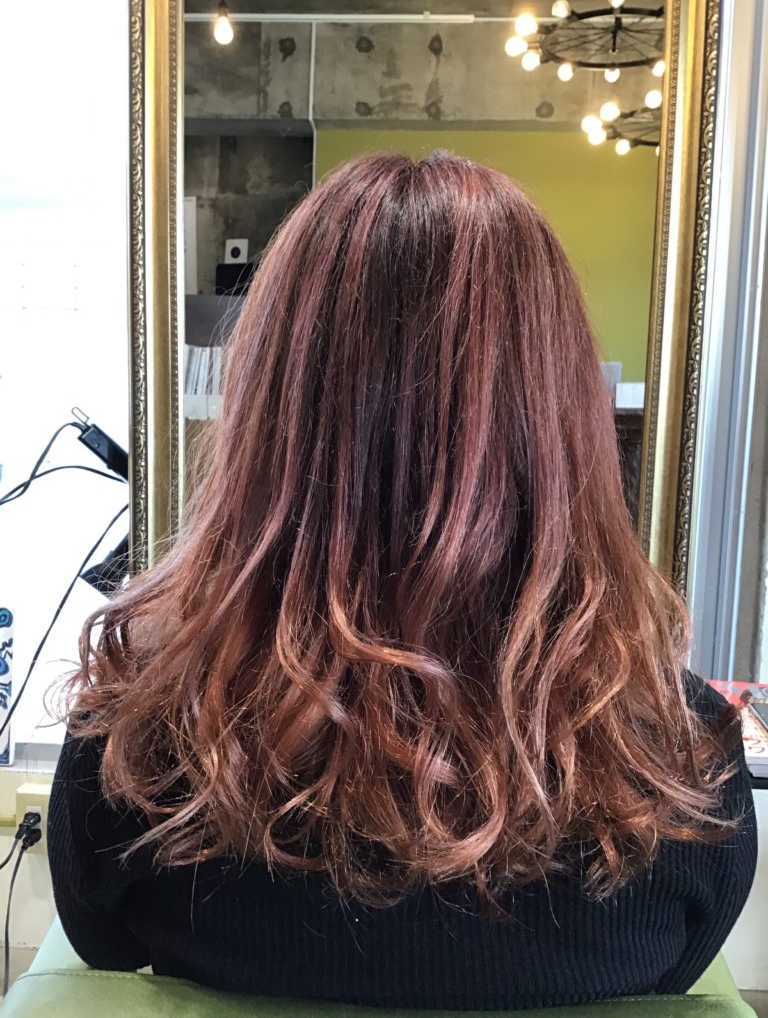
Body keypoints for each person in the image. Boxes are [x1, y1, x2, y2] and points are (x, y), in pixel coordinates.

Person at [48, 152, 756, 1011]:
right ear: (564, 419)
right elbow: (675, 971)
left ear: (265, 415)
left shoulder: (134, 756)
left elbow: (106, 947)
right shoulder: (686, 776)